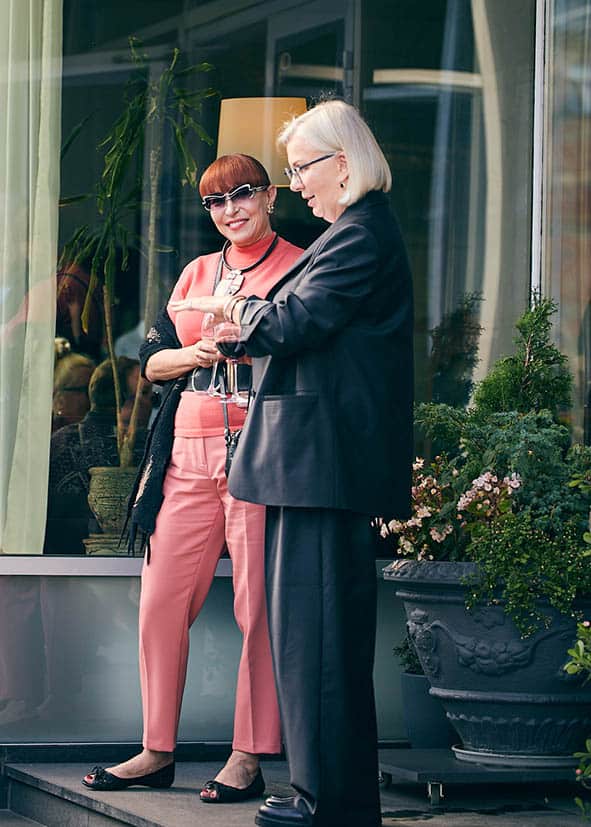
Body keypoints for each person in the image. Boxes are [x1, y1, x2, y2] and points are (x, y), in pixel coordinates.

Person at [183, 101, 414, 827]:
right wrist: (246, 324)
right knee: (312, 637)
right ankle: (325, 793)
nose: (297, 185)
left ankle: (327, 801)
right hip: (314, 465)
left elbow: (293, 322)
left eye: (302, 169)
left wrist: (234, 312)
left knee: (316, 639)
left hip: (322, 467)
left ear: (342, 163)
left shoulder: (361, 233)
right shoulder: (354, 232)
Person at [82, 154, 303, 802]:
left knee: (257, 606)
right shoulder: (197, 272)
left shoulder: (297, 266)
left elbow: (307, 350)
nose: (231, 209)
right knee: (159, 601)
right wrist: (197, 352)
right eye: (215, 201)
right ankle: (156, 749)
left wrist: (246, 341)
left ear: (269, 196)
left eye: (242, 194)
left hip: (261, 449)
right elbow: (151, 361)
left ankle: (247, 754)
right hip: (185, 451)